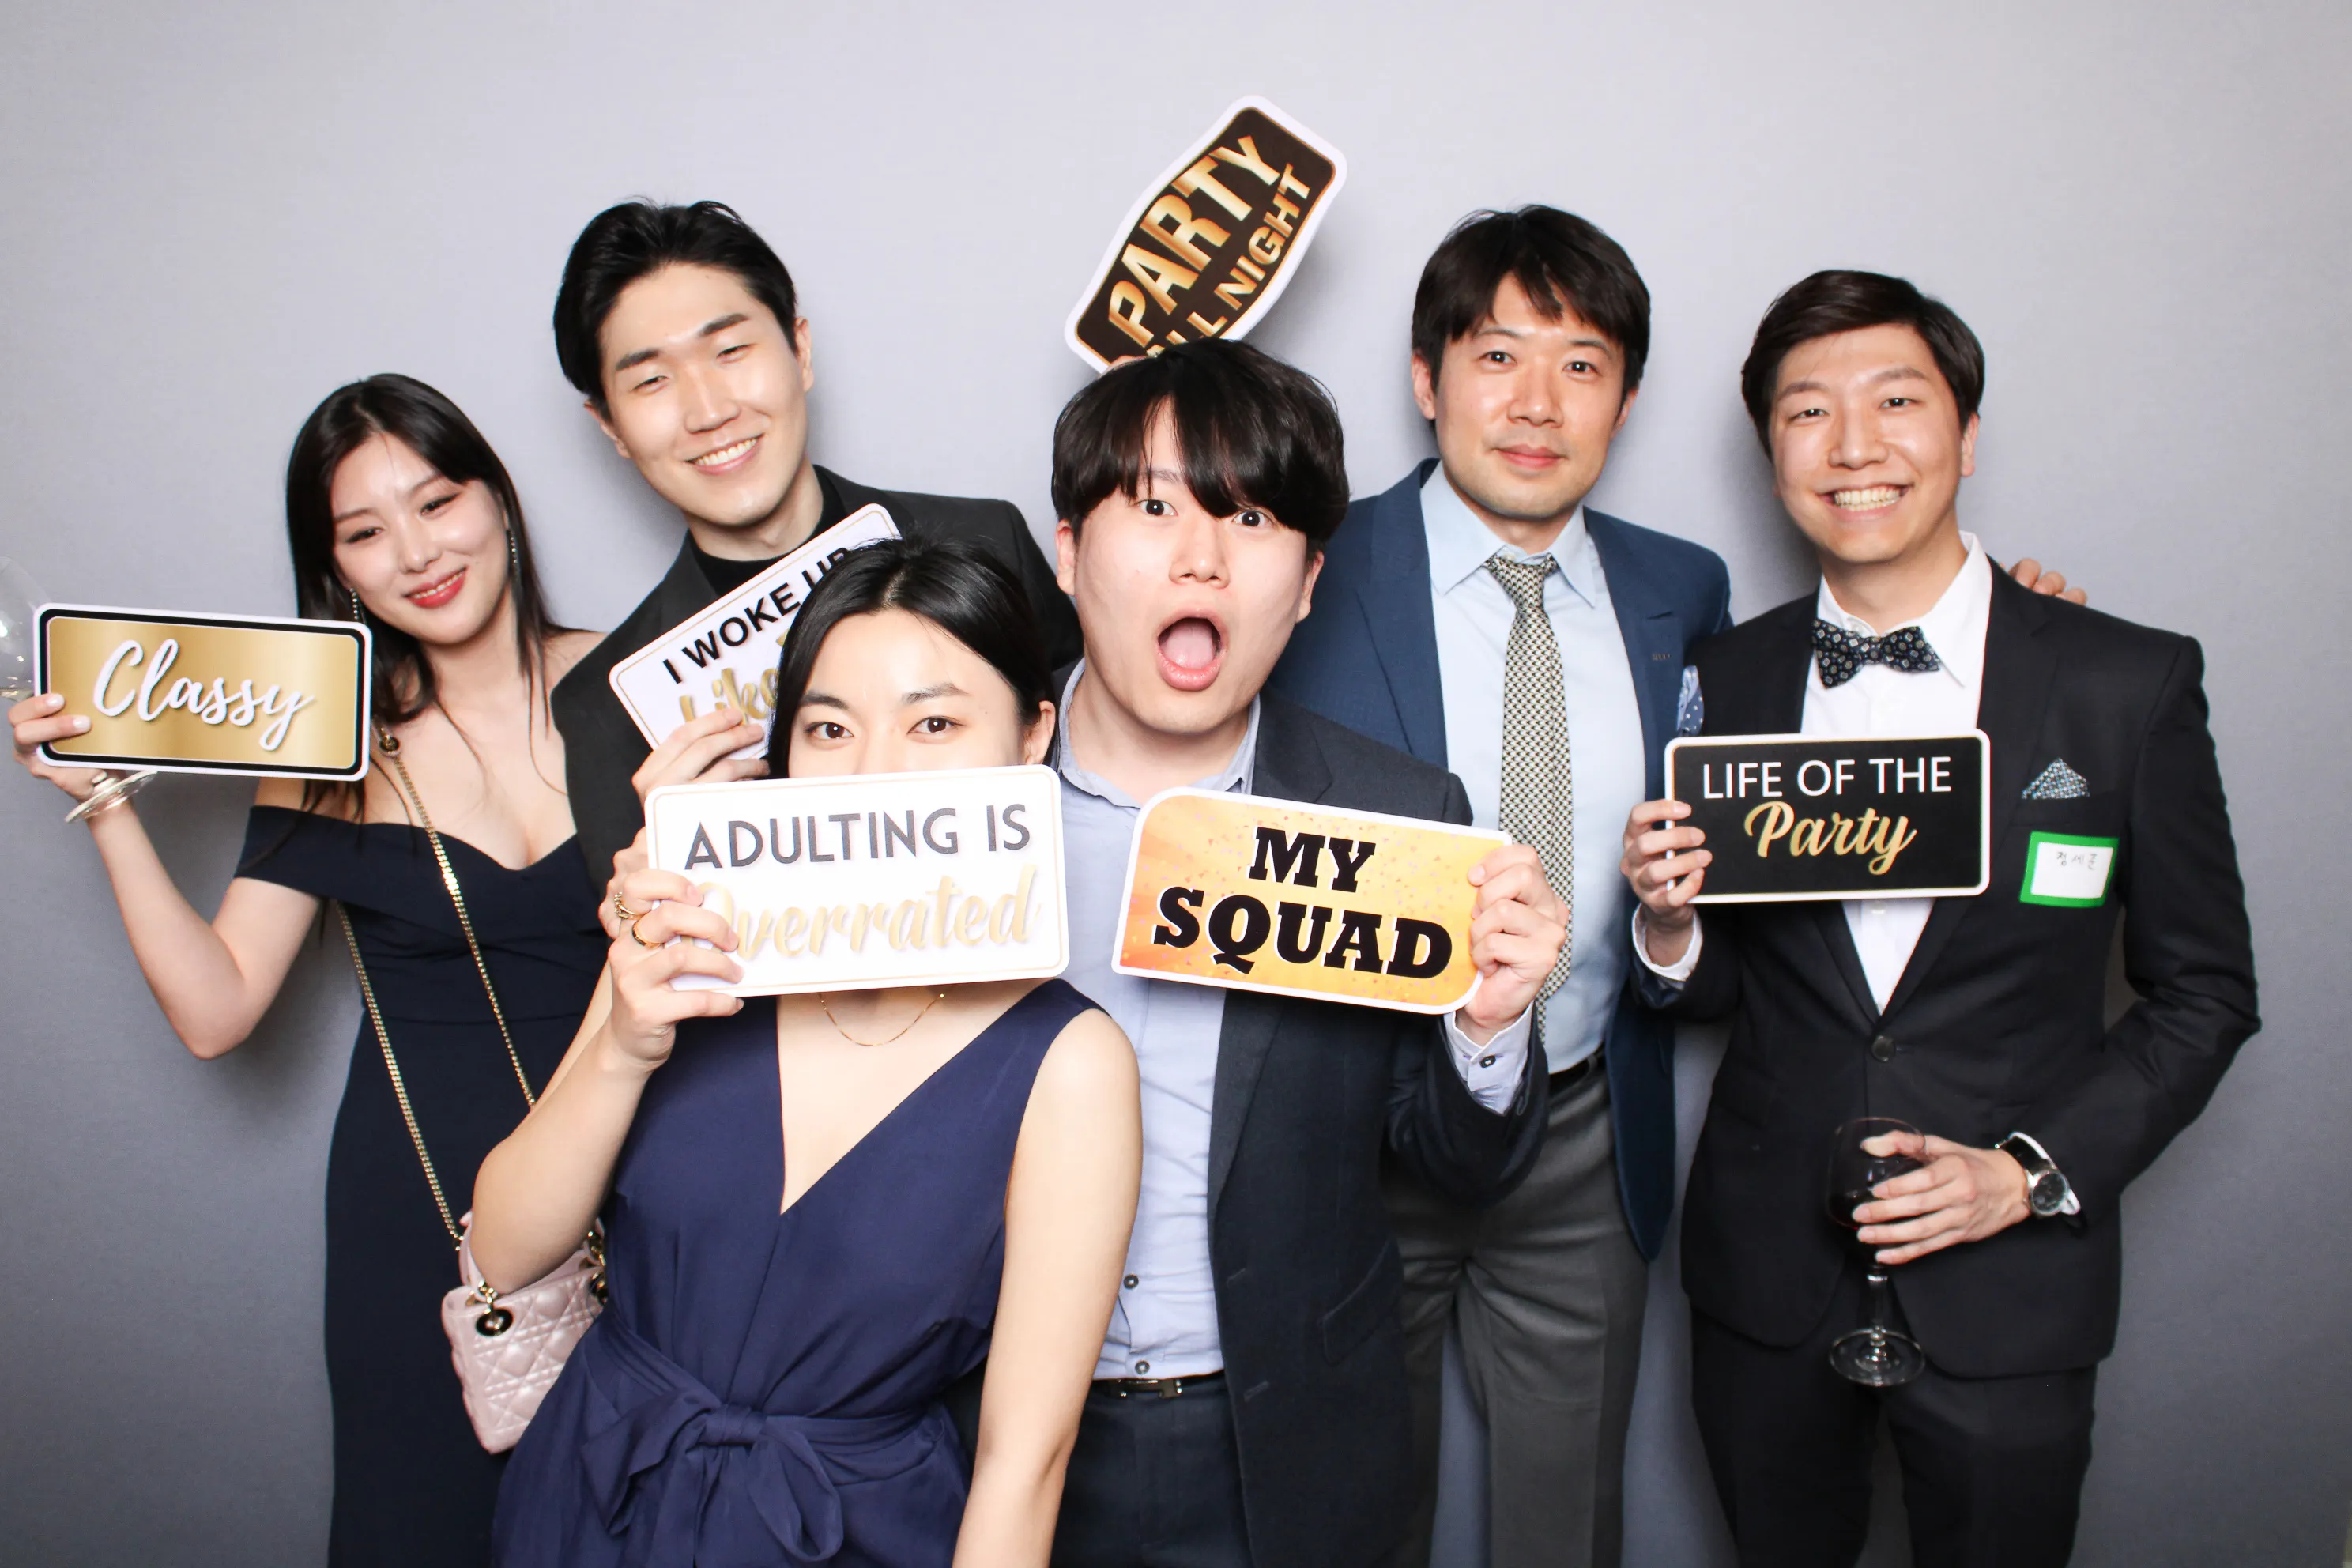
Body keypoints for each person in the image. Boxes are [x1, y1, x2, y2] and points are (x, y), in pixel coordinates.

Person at [1270, 208, 2087, 1568]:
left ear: (1628, 398)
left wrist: (2016, 633)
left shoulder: (1679, 589)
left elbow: (1794, 777)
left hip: (1587, 1131)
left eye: (1582, 364)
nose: (1537, 404)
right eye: (1496, 357)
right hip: (1354, 1120)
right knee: (1348, 1512)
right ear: (1425, 379)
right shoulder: (1306, 563)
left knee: (1563, 1519)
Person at [1620, 271, 2259, 1566]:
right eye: (1807, 413)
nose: (1853, 446)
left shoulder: (2120, 681)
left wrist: (2023, 1171)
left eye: (1895, 402)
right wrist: (1671, 926)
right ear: (1773, 453)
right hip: (1765, 1280)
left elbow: (2205, 993)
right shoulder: (1725, 678)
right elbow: (1732, 983)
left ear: (1965, 435)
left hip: (2013, 1286)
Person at [8, 374, 608, 1565]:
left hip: (654, 1189)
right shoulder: (322, 748)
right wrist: (114, 814)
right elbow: (219, 1008)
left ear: (498, 501)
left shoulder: (635, 687)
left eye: (438, 502)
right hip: (426, 1221)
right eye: (364, 532)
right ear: (334, 569)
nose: (417, 553)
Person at [476, 537, 1141, 1567]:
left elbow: (1027, 1459)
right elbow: (507, 1255)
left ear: (1029, 738)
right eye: (830, 726)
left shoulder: (1070, 1065)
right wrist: (623, 1042)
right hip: (591, 1498)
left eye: (934, 722)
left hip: (847, 1533)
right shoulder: (691, 944)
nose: (875, 770)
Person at [1042, 338, 1568, 1568]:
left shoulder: (1398, 817)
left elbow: (1453, 1163)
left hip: (1282, 1442)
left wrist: (1488, 1028)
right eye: (1155, 505)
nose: (1201, 556)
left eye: (1256, 516)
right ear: (1068, 552)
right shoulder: (954, 788)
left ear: (1311, 581)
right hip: (986, 1427)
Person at [546, 199, 1083, 888]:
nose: (709, 411)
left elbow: (1096, 782)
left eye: (731, 351)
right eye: (651, 380)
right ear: (610, 424)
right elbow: (648, 950)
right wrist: (682, 859)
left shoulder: (984, 541)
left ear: (799, 350)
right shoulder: (605, 705)